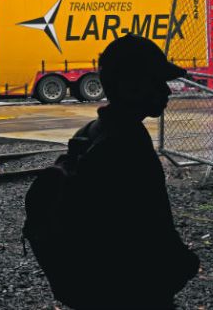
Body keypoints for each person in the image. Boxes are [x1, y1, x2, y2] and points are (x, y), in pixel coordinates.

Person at [68, 34, 199, 310]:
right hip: (132, 291)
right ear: (130, 85)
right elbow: (152, 226)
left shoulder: (91, 131)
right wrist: (183, 264)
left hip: (98, 287)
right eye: (157, 81)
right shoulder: (129, 144)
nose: (167, 91)